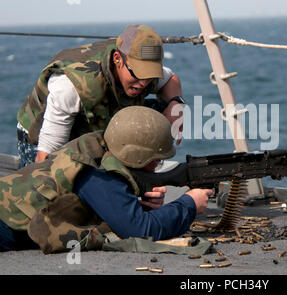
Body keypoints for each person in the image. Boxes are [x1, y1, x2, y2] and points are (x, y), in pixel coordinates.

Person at [0, 106, 212, 253]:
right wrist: (189, 204)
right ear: (136, 156)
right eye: (155, 159)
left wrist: (136, 202)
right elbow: (141, 231)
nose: (158, 164)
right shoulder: (99, 174)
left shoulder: (100, 147)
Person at [16, 24, 185, 168]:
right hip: (41, 135)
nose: (143, 83)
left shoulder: (139, 66)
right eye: (138, 74)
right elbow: (45, 161)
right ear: (118, 59)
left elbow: (171, 79)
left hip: (92, 119)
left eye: (149, 76)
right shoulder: (70, 87)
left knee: (157, 110)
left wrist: (175, 105)